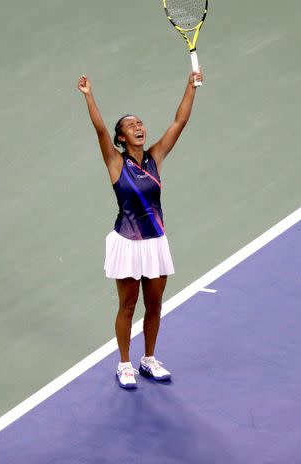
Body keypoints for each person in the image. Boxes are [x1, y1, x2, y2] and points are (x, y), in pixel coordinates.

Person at [77, 70, 203, 389]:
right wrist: (89, 96)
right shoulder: (116, 163)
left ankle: (148, 359)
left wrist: (190, 87)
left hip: (155, 242)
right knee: (129, 305)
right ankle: (124, 363)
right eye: (131, 125)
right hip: (128, 242)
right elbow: (100, 130)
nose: (138, 127)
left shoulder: (155, 157)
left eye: (140, 123)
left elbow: (179, 123)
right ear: (121, 137)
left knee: (155, 304)